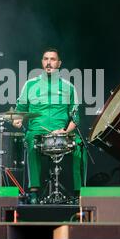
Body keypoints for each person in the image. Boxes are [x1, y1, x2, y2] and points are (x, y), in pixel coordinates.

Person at [12, 48, 86, 204]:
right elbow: (19, 111)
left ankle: (78, 194)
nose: (49, 62)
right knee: (31, 142)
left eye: (52, 59)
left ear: (59, 63)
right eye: (46, 59)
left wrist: (65, 130)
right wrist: (17, 120)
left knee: (80, 146)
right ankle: (34, 191)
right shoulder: (30, 85)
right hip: (37, 131)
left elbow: (75, 117)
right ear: (42, 62)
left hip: (62, 132)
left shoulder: (69, 87)